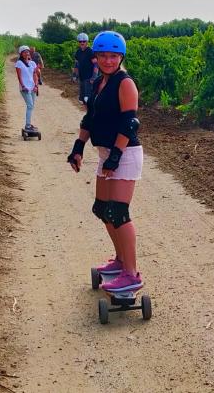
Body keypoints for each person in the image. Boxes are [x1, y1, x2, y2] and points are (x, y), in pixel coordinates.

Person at [67, 31, 144, 292]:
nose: (108, 60)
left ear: (121, 57)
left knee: (119, 213)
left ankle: (131, 274)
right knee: (102, 209)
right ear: (95, 57)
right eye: (103, 56)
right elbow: (89, 120)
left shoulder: (125, 83)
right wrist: (78, 147)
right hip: (106, 154)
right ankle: (120, 261)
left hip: (124, 154)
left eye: (113, 56)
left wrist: (115, 156)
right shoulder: (98, 83)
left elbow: (130, 123)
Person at [15, 45, 39, 131]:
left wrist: (36, 85)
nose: (27, 53)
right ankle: (27, 125)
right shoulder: (19, 63)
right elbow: (19, 76)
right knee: (30, 105)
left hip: (32, 87)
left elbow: (35, 75)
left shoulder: (32, 63)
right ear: (21, 54)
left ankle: (28, 124)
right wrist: (23, 86)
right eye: (24, 52)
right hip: (25, 88)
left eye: (27, 52)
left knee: (31, 106)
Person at [73, 33, 98, 104]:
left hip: (89, 78)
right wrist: (75, 75)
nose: (82, 43)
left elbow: (96, 64)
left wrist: (94, 77)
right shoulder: (78, 52)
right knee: (81, 100)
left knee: (88, 98)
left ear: (87, 42)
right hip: (81, 77)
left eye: (84, 41)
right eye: (80, 41)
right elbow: (76, 65)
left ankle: (91, 113)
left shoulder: (90, 51)